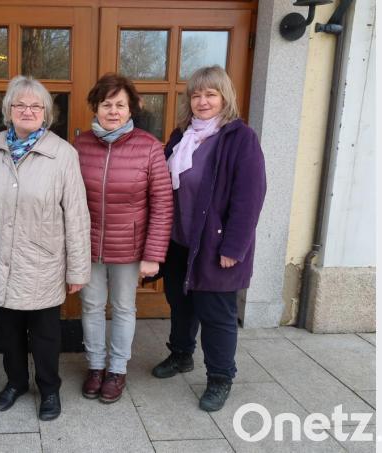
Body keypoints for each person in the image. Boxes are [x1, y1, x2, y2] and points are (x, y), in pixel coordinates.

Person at [0, 76, 91, 421]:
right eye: (20, 105)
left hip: (41, 262)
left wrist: (78, 269)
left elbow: (76, 214)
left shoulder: (63, 154)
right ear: (9, 111)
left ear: (46, 112)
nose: (28, 110)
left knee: (46, 335)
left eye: (35, 106)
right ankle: (15, 382)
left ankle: (49, 389)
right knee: (9, 330)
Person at [151, 66, 266, 412]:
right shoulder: (181, 135)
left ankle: (220, 377)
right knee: (181, 304)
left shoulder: (239, 138)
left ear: (224, 97)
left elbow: (250, 197)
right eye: (196, 95)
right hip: (179, 242)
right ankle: (182, 355)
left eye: (210, 94)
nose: (202, 101)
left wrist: (234, 247)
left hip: (215, 246)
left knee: (217, 314)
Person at [74, 73, 172, 403]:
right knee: (90, 306)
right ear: (95, 107)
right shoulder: (81, 145)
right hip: (87, 245)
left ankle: (117, 370)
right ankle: (96, 367)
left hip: (130, 247)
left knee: (123, 307)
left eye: (120, 105)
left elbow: (162, 202)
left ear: (131, 110)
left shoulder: (148, 147)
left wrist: (153, 254)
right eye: (106, 104)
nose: (113, 111)